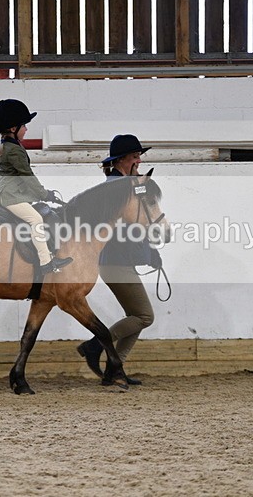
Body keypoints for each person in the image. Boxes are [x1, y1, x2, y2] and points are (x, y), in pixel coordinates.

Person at [76, 134, 162, 385]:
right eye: (135, 156)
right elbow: (120, 232)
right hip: (114, 261)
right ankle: (95, 346)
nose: (139, 160)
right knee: (144, 317)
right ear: (122, 160)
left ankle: (116, 368)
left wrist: (151, 253)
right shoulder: (115, 188)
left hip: (120, 261)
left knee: (136, 318)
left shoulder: (125, 186)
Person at [0, 99, 72, 275]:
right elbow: (27, 176)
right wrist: (44, 194)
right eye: (24, 126)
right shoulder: (14, 150)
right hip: (10, 196)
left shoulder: (9, 145)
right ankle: (46, 262)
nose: (26, 129)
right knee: (36, 220)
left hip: (9, 192)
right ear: (13, 129)